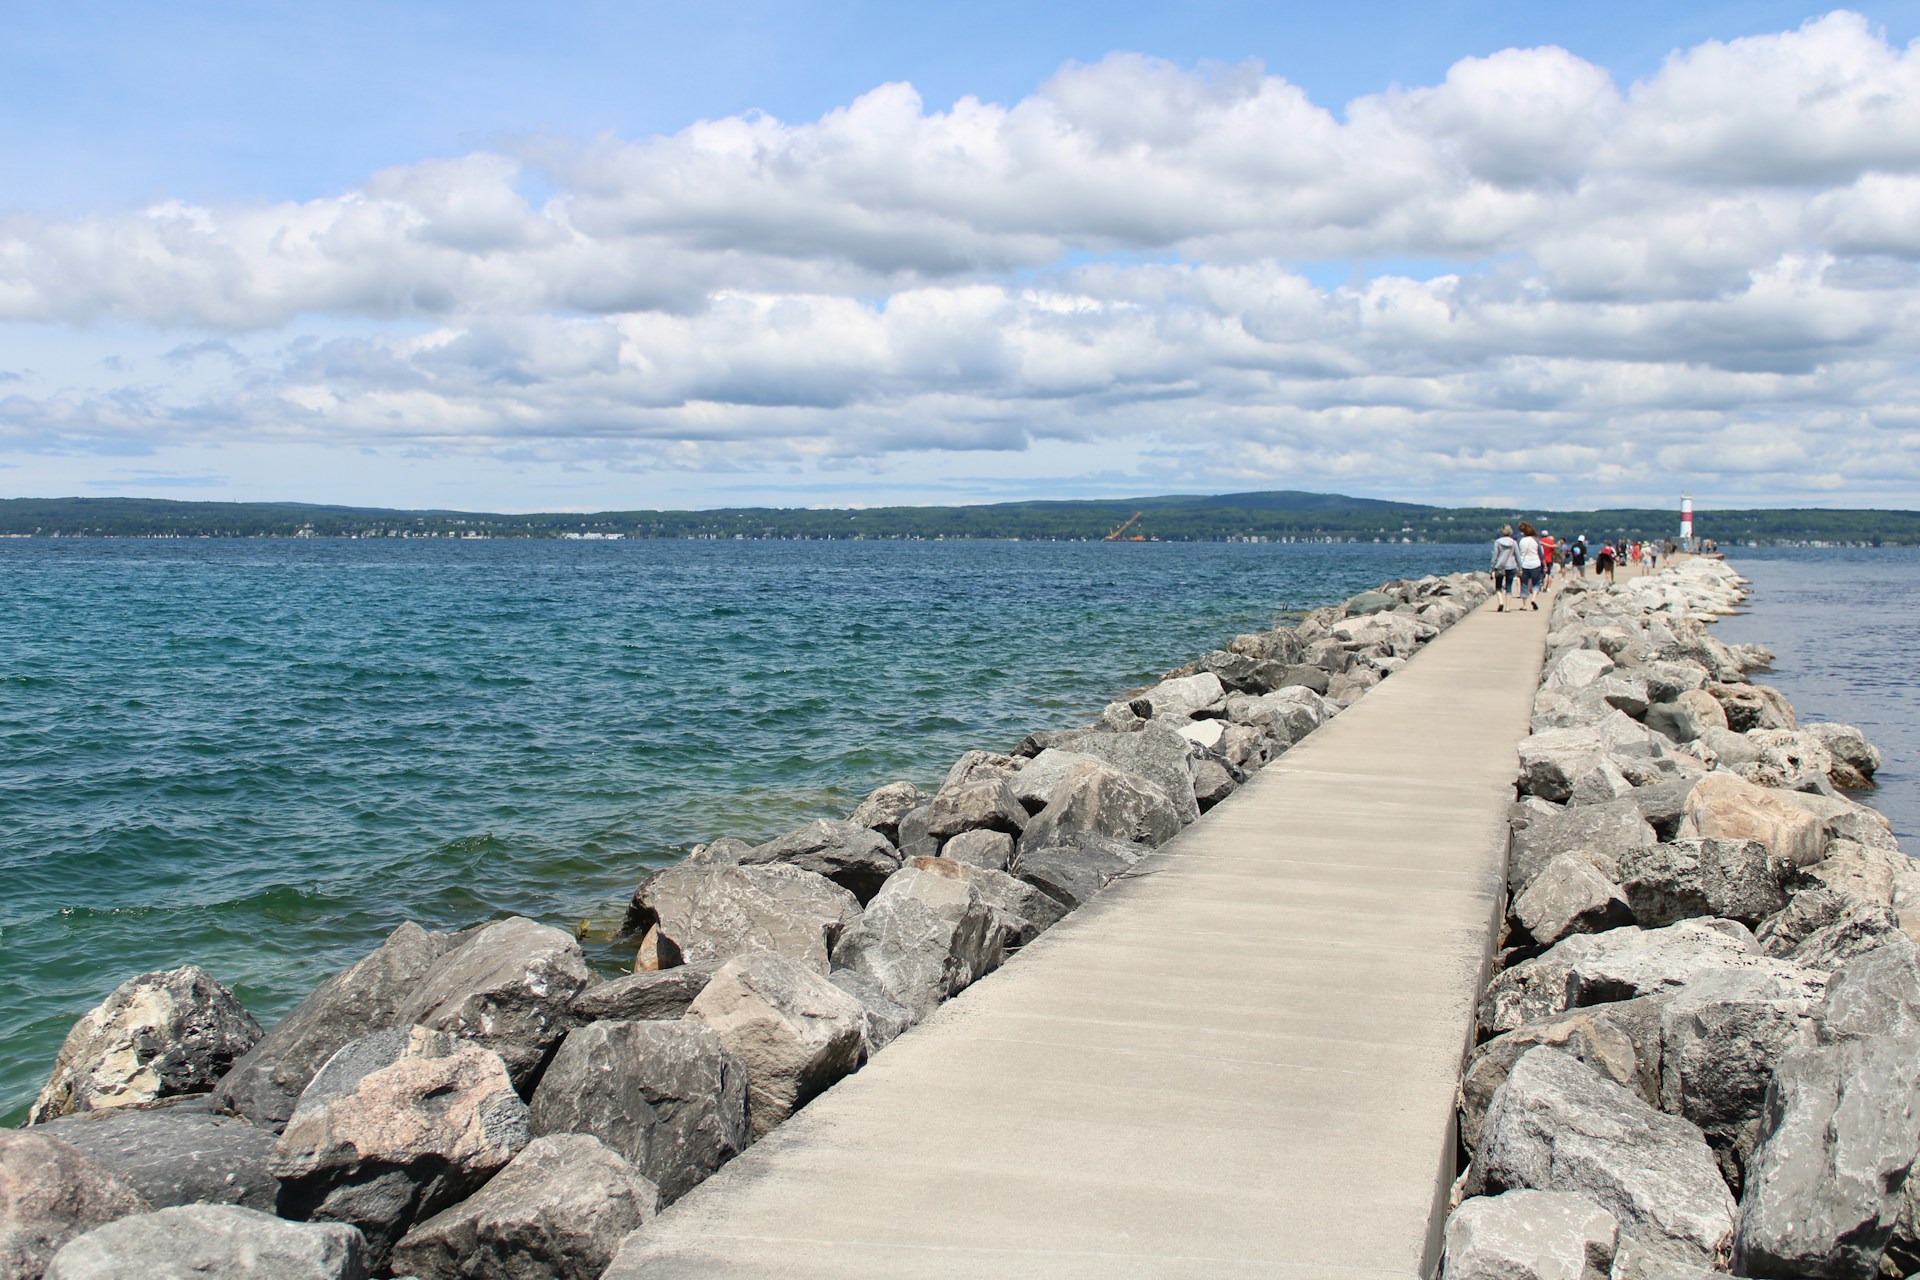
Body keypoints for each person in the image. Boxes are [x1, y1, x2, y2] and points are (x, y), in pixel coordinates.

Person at [1515, 521, 1544, 610]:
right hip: (1535, 564)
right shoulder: (1536, 540)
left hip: (1524, 564)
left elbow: (1517, 554)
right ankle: (1534, 598)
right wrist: (1544, 564)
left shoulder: (1520, 540)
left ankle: (1524, 605)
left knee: (1524, 584)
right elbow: (1540, 554)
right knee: (1536, 583)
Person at [1490, 524, 1520, 610]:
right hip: (1511, 566)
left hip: (1500, 566)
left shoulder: (1497, 542)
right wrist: (1520, 568)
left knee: (1498, 586)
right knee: (1509, 586)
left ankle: (1501, 602)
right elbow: (1518, 556)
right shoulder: (1514, 542)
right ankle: (1508, 607)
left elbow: (1495, 556)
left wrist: (1492, 568)